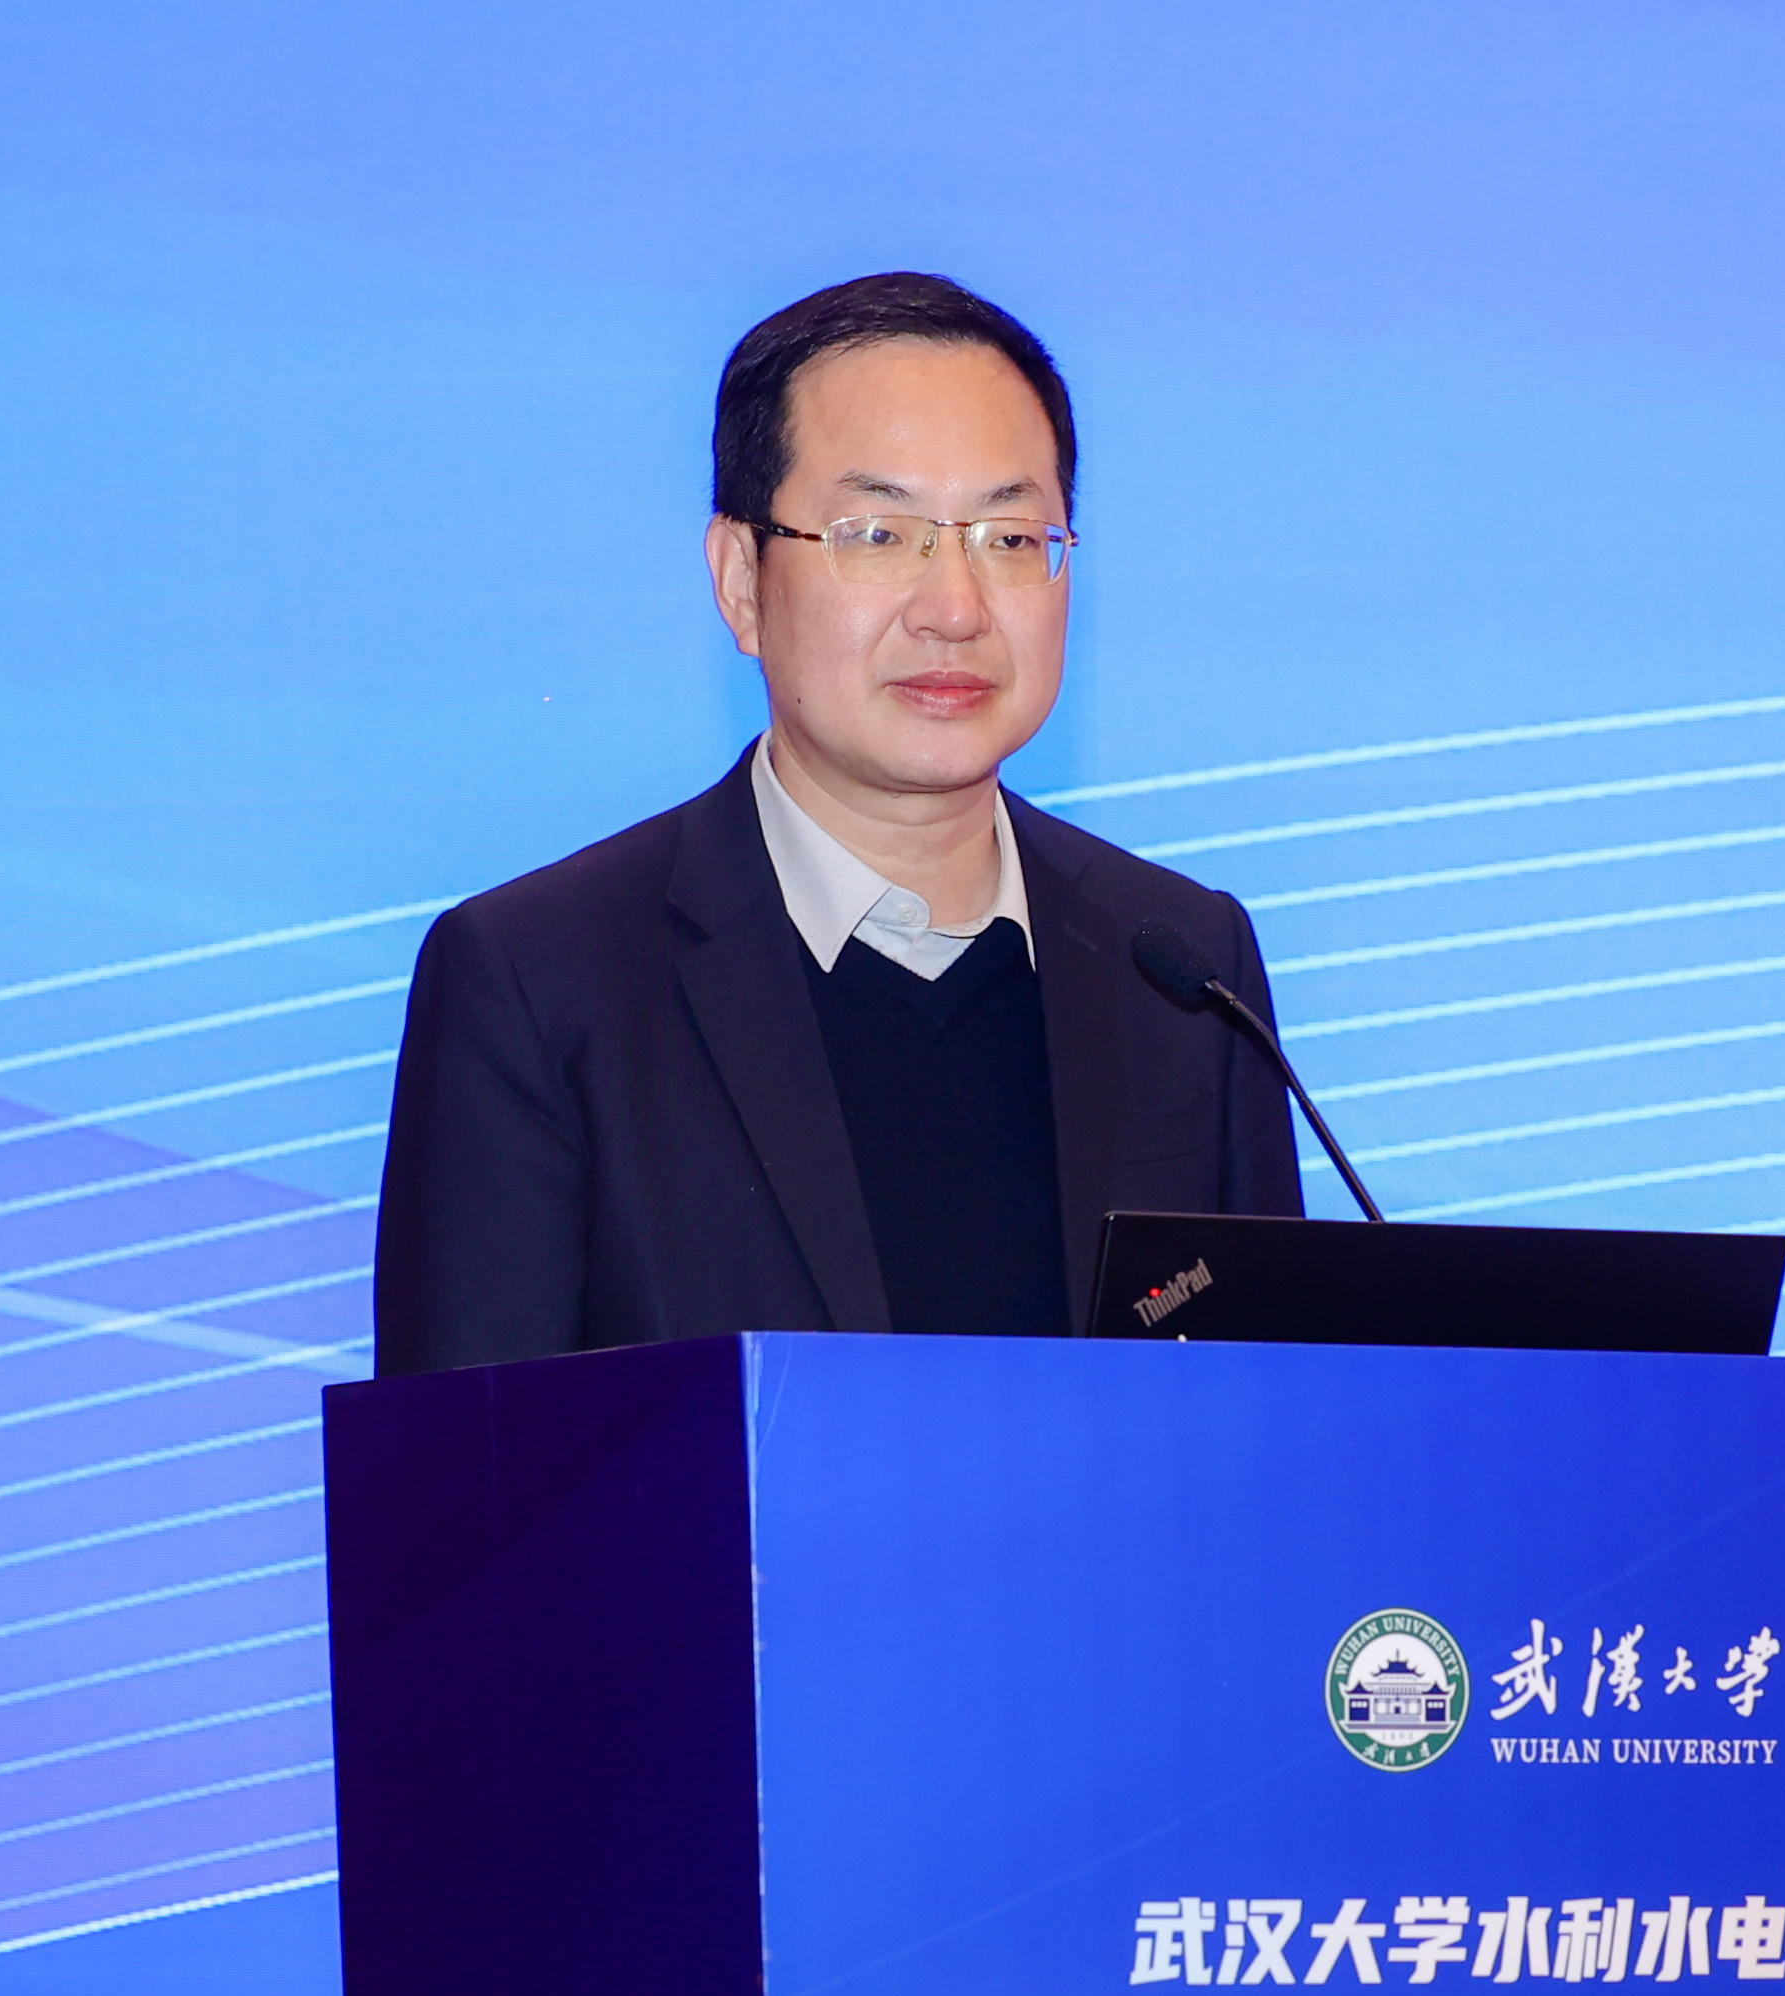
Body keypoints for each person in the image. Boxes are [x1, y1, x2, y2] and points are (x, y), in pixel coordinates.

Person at [372, 273, 1300, 1376]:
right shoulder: (541, 984)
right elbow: (464, 1469)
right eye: (877, 533)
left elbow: (1276, 1425)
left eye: (1010, 538)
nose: (954, 608)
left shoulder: (1185, 971)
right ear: (741, 581)